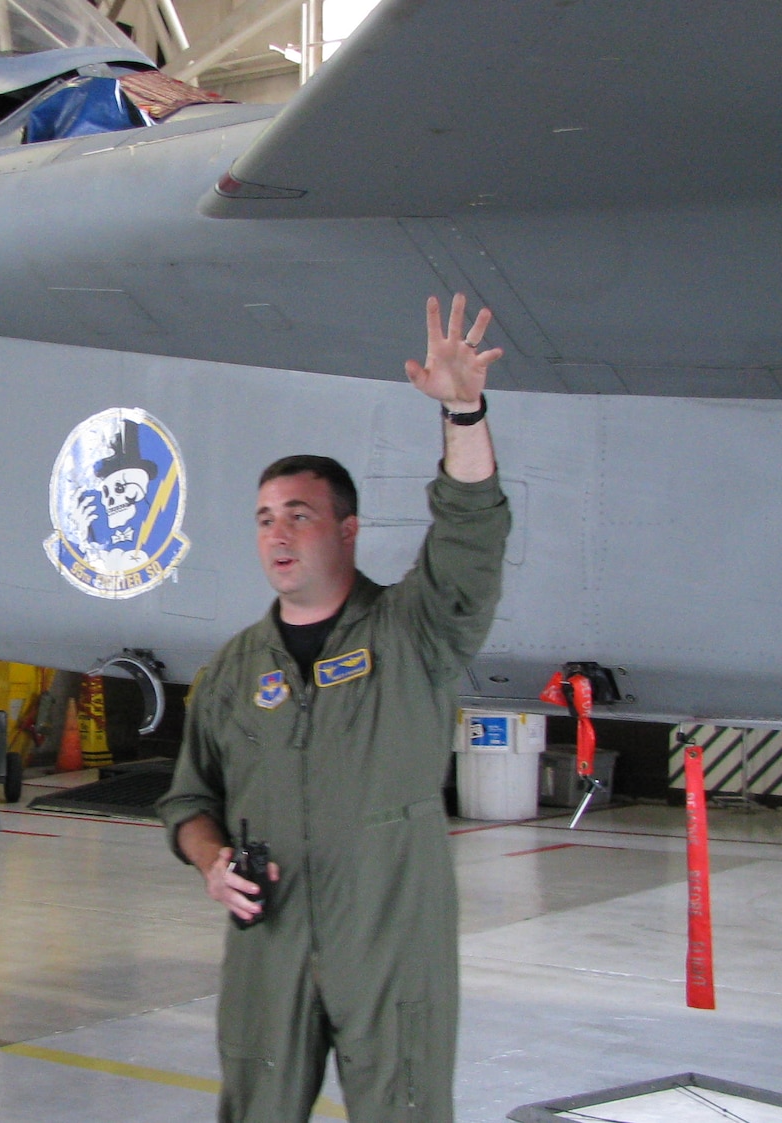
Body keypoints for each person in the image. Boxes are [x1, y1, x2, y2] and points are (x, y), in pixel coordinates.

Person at [157, 295, 512, 1123]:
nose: (278, 534)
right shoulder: (232, 672)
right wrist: (210, 860)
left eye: (299, 515)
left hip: (391, 945)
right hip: (269, 948)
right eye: (264, 519)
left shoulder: (413, 633)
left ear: (347, 531)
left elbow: (470, 535)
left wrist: (463, 411)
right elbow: (188, 801)